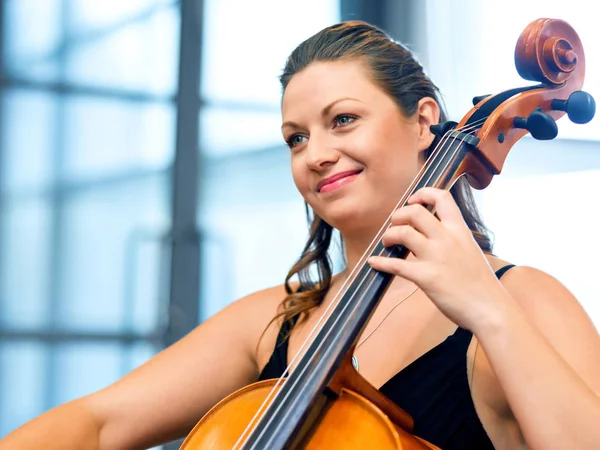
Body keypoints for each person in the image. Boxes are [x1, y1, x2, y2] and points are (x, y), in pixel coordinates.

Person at [2, 20, 600, 450]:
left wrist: (489, 311)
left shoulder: (524, 298)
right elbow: (99, 425)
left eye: (343, 120)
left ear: (423, 123)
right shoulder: (276, 321)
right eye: (296, 137)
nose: (316, 154)